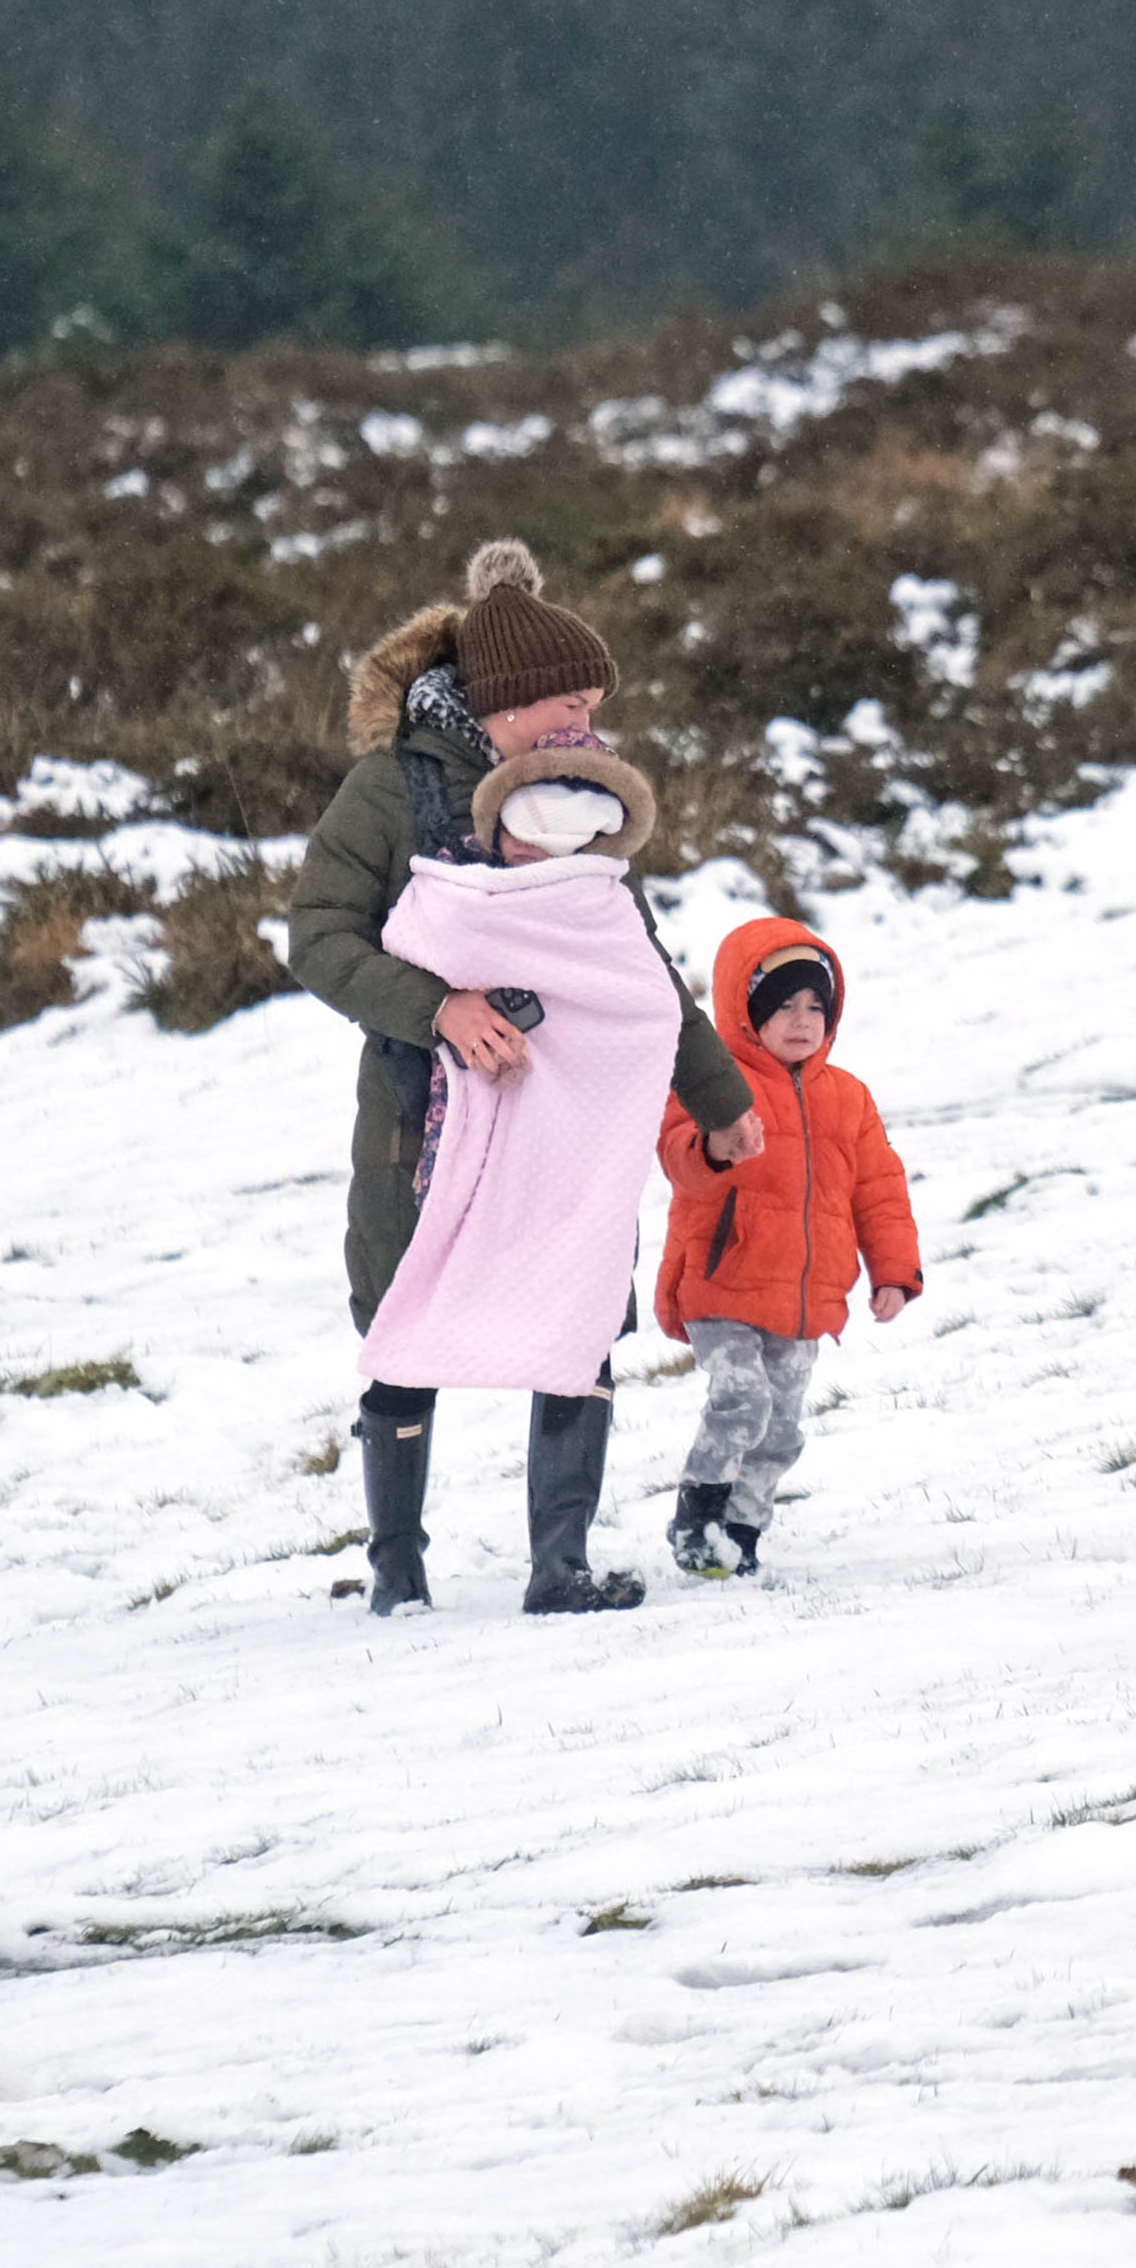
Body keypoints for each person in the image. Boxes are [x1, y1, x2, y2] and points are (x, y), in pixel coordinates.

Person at [288, 540, 760, 1617]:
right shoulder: (390, 791)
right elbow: (317, 937)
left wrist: (719, 1099)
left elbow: (632, 966)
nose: (583, 715)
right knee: (407, 1312)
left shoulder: (580, 787)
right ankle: (396, 1570)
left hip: (572, 1124)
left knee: (581, 1308)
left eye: (592, 695)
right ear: (498, 704)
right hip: (424, 1119)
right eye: (563, 696)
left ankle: (561, 1566)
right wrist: (438, 1009)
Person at [653, 919, 922, 1578]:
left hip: (804, 1296)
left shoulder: (848, 1098)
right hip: (723, 1282)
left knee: (780, 1431)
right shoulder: (712, 1081)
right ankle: (698, 1518)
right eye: (782, 1006)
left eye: (815, 1008)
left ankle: (740, 1533)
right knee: (742, 1397)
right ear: (745, 1011)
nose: (801, 1021)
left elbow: (878, 1189)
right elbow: (676, 1155)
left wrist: (893, 1269)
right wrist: (715, 1145)